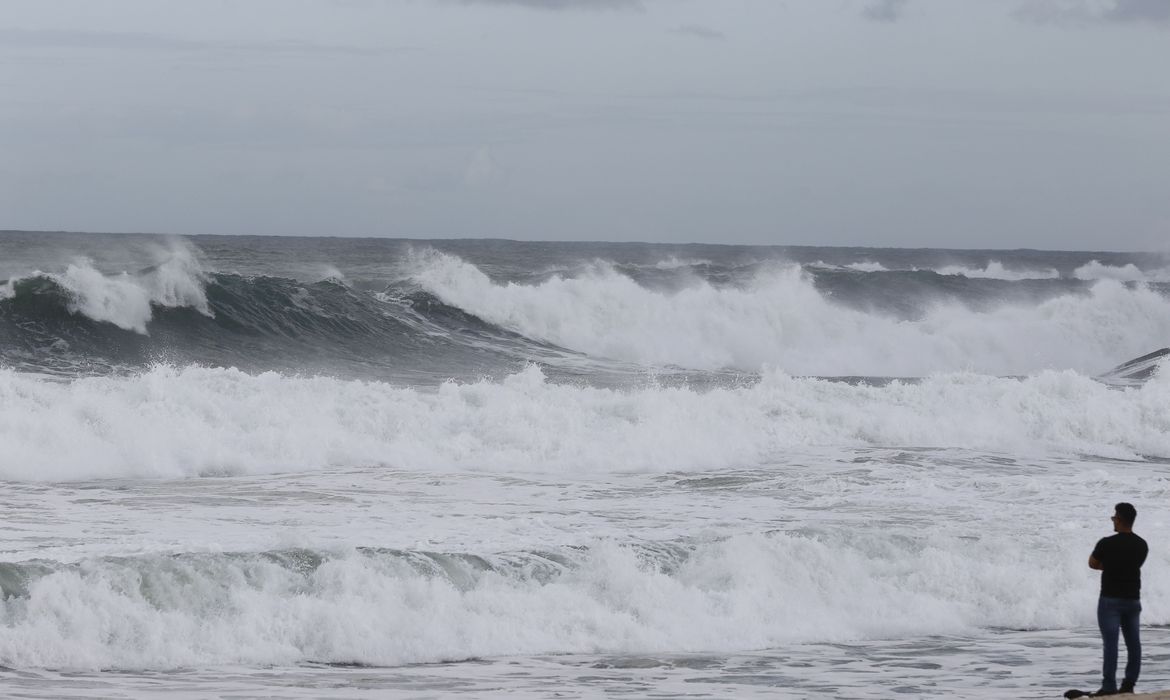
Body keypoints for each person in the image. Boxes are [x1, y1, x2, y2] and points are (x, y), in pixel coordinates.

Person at [1088, 502, 1148, 696]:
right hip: (1133, 600)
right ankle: (1129, 684)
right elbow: (1134, 564)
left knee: (1111, 644)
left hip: (1110, 601)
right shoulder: (1141, 544)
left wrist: (1110, 566)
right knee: (1134, 643)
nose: (1113, 520)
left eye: (1114, 517)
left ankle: (1109, 687)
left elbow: (1092, 563)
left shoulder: (1106, 543)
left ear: (1120, 519)